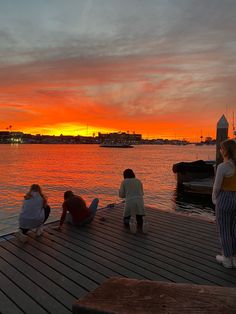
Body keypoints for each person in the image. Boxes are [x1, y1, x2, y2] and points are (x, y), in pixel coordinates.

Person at [212, 139, 236, 268]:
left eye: (221, 149)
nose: (220, 151)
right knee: (234, 230)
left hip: (225, 198)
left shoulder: (223, 166)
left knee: (224, 231)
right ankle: (234, 258)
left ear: (226, 151)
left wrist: (215, 200)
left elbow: (217, 187)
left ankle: (227, 259)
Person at [119, 168, 148, 233]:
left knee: (126, 221)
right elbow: (142, 193)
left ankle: (132, 221)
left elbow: (121, 195)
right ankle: (140, 221)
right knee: (139, 218)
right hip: (140, 204)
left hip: (129, 204)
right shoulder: (138, 181)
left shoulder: (124, 182)